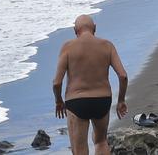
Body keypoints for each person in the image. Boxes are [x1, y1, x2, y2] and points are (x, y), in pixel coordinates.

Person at [52, 15, 128, 155]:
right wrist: (121, 100)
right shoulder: (107, 46)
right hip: (102, 100)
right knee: (100, 142)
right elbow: (123, 76)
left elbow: (57, 83)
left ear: (75, 30)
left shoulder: (67, 47)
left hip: (77, 102)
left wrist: (58, 101)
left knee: (79, 148)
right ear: (95, 28)